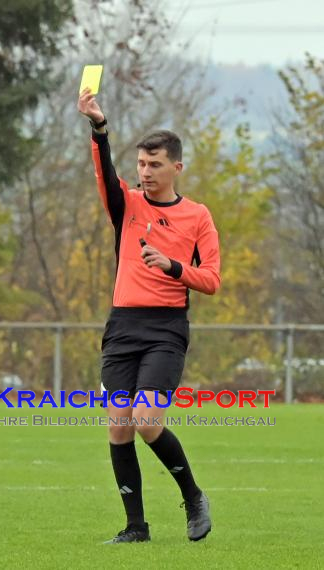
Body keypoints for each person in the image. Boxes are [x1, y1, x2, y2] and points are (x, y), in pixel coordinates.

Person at [77, 87, 221, 544]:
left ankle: (194, 496)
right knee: (119, 426)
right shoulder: (128, 205)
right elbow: (105, 170)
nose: (146, 172)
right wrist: (99, 127)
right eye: (141, 164)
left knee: (146, 420)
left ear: (177, 167)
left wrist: (174, 267)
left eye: (155, 164)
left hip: (165, 330)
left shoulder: (197, 216)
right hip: (122, 326)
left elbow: (212, 279)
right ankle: (136, 527)